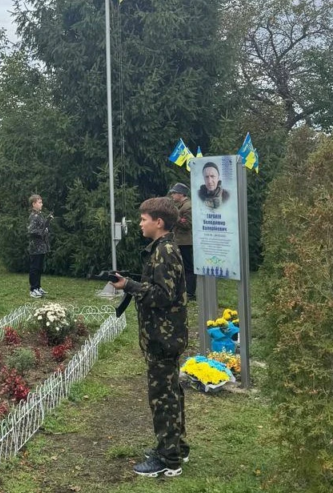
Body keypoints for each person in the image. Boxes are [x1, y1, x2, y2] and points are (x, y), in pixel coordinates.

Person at [108, 197, 189, 477]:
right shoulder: (162, 249)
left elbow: (163, 296)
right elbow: (157, 286)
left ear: (159, 222)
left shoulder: (165, 251)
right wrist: (132, 282)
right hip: (164, 336)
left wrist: (129, 285)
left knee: (162, 397)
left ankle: (168, 460)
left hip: (162, 337)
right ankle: (177, 446)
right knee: (170, 393)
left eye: (144, 219)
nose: (140, 223)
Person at [169, 182, 195, 301]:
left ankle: (190, 293)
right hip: (179, 240)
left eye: (174, 193)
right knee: (180, 266)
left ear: (181, 194)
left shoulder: (188, 206)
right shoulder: (181, 205)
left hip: (185, 242)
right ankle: (182, 290)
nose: (172, 196)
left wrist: (175, 217)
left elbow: (187, 225)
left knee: (188, 268)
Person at [27, 194, 51, 298]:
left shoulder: (40, 214)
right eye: (39, 202)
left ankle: (38, 287)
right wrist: (43, 231)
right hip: (35, 247)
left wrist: (48, 222)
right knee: (34, 268)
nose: (42, 204)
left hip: (41, 246)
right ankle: (33, 289)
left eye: (41, 202)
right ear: (34, 204)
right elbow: (31, 231)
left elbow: (42, 226)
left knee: (39, 267)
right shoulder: (33, 216)